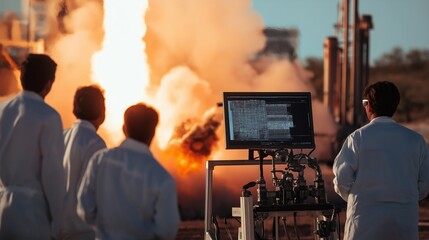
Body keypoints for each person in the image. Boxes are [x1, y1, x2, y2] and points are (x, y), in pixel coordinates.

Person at [333, 81, 429, 240]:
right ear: (395, 106)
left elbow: (342, 180)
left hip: (363, 224)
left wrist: (359, 198)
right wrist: (403, 197)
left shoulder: (357, 138)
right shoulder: (416, 140)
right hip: (404, 224)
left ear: (368, 105)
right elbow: (424, 185)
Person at [77, 103, 181, 239]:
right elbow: (167, 231)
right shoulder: (161, 178)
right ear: (153, 133)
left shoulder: (100, 160)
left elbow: (85, 210)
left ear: (124, 129)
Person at [0, 53, 66, 239]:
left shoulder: (3, 110)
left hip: (4, 211)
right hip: (33, 213)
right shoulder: (49, 117)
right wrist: (59, 221)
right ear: (48, 84)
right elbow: (53, 174)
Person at [60, 85, 107, 240]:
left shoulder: (61, 137)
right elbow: (95, 191)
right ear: (102, 113)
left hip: (57, 227)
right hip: (83, 230)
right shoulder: (95, 143)